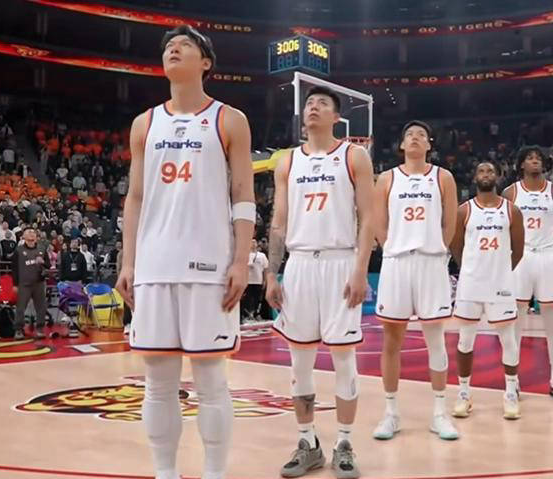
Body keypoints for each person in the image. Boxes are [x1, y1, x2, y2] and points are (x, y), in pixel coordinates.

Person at [114, 25, 255, 479]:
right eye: (168, 47)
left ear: (206, 62)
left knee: (211, 381)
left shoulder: (229, 119)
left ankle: (214, 473)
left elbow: (243, 194)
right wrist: (128, 262)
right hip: (154, 265)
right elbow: (135, 197)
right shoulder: (144, 123)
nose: (173, 49)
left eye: (185, 45)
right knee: (157, 383)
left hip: (208, 266)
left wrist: (240, 260)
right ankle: (165, 473)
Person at [265, 85, 375, 479]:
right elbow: (279, 222)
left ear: (336, 117)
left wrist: (360, 269)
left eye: (322, 103)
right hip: (298, 264)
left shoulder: (354, 156)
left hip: (339, 261)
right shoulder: (287, 161)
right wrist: (271, 272)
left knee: (344, 360)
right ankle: (307, 442)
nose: (313, 107)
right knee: (300, 362)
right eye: (309, 103)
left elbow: (368, 217)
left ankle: (344, 444)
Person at [373, 120, 459, 440]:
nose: (414, 138)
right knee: (391, 340)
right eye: (409, 135)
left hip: (430, 261)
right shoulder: (387, 178)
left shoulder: (443, 177)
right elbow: (379, 223)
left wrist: (438, 249)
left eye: (421, 135)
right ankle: (391, 413)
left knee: (435, 339)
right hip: (397, 262)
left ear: (429, 145)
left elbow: (450, 222)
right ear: (401, 144)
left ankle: (439, 413)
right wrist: (392, 248)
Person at [450, 161, 525, 418]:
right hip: (471, 283)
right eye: (481, 171)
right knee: (465, 339)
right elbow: (456, 247)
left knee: (508, 339)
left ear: (498, 177)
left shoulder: (512, 210)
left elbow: (518, 250)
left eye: (490, 171)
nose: (486, 174)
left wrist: (500, 270)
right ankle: (463, 393)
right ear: (475, 177)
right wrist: (471, 268)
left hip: (500, 283)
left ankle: (511, 392)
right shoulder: (464, 210)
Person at [501, 146, 553, 402]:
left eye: (538, 158)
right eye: (530, 158)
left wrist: (551, 247)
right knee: (515, 320)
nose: (534, 161)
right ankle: (512, 382)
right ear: (521, 164)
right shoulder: (511, 192)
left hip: (547, 256)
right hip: (521, 256)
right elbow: (506, 226)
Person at [9, 228, 50, 339]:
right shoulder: (19, 250)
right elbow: (14, 269)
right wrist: (15, 284)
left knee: (41, 307)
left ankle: (40, 329)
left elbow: (48, 264)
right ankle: (18, 329)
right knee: (20, 308)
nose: (32, 233)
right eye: (29, 232)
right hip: (24, 284)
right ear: (23, 236)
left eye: (33, 232)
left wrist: (43, 262)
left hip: (39, 283)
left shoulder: (42, 248)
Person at [243, 239, 268, 323]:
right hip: (248, 281)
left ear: (257, 244)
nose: (253, 244)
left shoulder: (262, 255)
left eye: (254, 242)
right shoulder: (246, 254)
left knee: (257, 298)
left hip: (258, 280)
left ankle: (256, 314)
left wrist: (265, 280)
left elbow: (265, 269)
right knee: (247, 299)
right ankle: (247, 315)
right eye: (251, 242)